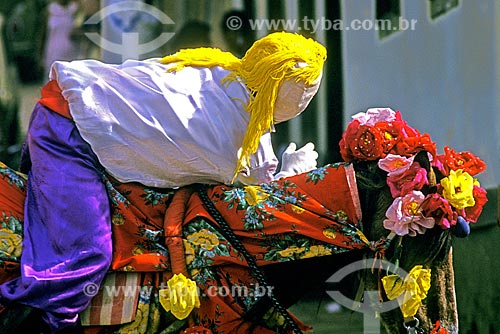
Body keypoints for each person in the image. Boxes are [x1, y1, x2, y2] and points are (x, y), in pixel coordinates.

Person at [0, 31, 326, 332]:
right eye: (301, 96)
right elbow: (254, 199)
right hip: (67, 130)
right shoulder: (234, 131)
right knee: (84, 256)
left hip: (83, 125)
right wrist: (290, 174)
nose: (302, 102)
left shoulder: (219, 67)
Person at [42, 0, 81, 76]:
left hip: (73, 56)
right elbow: (43, 34)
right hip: (53, 55)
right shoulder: (50, 10)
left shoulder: (76, 10)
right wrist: (40, 55)